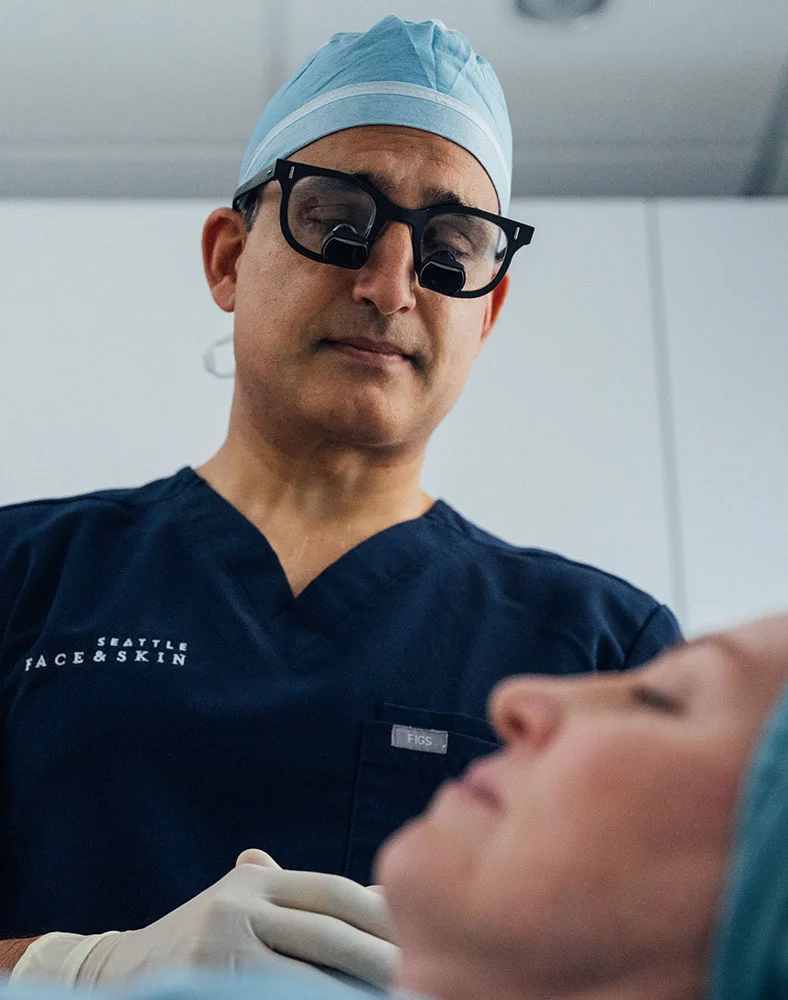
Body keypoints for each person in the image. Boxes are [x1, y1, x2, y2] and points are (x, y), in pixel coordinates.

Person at [0, 14, 681, 989]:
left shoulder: (603, 653)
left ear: (484, 312)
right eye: (337, 220)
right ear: (229, 257)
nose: (389, 282)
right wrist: (78, 971)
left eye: (450, 246)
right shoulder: (24, 577)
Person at [6, 611, 788, 1000]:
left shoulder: (597, 622)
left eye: (663, 697)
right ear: (226, 280)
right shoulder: (30, 563)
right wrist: (72, 970)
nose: (513, 698)